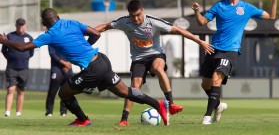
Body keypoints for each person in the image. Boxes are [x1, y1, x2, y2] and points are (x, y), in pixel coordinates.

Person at [0, 8, 171, 126]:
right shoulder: (71, 23)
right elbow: (96, 33)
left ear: (44, 23)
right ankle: (159, 105)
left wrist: (4, 40)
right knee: (124, 92)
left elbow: (22, 47)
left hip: (92, 69)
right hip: (102, 60)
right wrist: (87, 49)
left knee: (64, 93)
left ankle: (83, 120)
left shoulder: (50, 34)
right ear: (58, 18)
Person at [95, 0, 214, 126]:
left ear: (142, 11)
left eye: (138, 15)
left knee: (158, 69)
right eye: (132, 16)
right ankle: (124, 119)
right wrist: (86, 32)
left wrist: (200, 42)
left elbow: (179, 30)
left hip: (155, 54)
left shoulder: (153, 21)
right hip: (138, 59)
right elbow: (104, 27)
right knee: (135, 85)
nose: (135, 19)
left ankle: (171, 104)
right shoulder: (124, 22)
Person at [191, 0, 279, 125]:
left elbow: (271, 16)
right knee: (205, 85)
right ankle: (218, 105)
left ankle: (206, 117)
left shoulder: (247, 8)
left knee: (216, 78)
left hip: (230, 50)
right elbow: (202, 23)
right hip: (213, 49)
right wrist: (197, 12)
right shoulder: (219, 6)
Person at [1, 18, 34, 117]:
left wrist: (24, 58)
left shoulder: (29, 37)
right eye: (19, 25)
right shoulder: (10, 36)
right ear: (16, 26)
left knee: (21, 90)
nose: (20, 26)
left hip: (24, 68)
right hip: (12, 67)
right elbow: (4, 50)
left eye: (22, 25)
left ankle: (18, 112)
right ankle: (7, 112)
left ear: (25, 26)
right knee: (11, 89)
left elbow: (31, 52)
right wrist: (11, 58)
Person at [45, 45, 74, 117]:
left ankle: (63, 111)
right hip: (57, 68)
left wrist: (69, 64)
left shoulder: (69, 40)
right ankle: (49, 111)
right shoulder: (52, 40)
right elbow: (52, 54)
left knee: (66, 91)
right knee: (52, 91)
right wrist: (64, 63)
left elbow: (73, 53)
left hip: (68, 68)